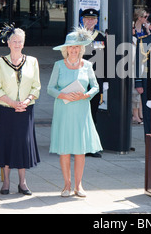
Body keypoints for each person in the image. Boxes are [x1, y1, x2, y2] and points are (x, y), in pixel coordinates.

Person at [48, 27, 102, 198]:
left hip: (81, 109)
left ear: (81, 49)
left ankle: (79, 185)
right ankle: (66, 185)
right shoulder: (58, 65)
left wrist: (86, 94)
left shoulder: (87, 65)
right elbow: (50, 88)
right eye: (71, 47)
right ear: (66, 49)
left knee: (80, 149)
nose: (74, 50)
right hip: (64, 110)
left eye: (77, 47)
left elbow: (95, 87)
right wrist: (62, 94)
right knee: (64, 149)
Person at [0, 25, 41, 195]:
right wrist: (12, 103)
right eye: (14, 41)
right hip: (6, 109)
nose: (17, 44)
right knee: (6, 143)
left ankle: (22, 182)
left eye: (20, 41)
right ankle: (6, 182)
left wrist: (25, 101)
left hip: (25, 110)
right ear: (8, 43)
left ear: (23, 43)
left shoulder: (32, 61)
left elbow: (36, 87)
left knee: (22, 145)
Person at [81, 8, 106, 158]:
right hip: (80, 81)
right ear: (83, 20)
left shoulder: (101, 37)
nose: (89, 22)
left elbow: (106, 60)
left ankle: (91, 146)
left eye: (92, 19)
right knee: (80, 115)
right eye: (87, 19)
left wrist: (105, 82)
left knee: (93, 115)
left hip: (96, 82)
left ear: (97, 21)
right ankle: (80, 146)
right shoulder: (77, 36)